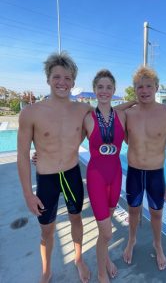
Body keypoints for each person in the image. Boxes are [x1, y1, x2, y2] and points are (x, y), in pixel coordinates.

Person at [17, 52, 92, 283]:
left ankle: (79, 259)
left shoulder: (83, 110)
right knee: (46, 230)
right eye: (57, 77)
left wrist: (135, 102)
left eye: (68, 78)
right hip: (46, 179)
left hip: (71, 174)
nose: (63, 82)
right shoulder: (31, 112)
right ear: (48, 78)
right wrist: (28, 194)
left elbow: (109, 115)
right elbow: (21, 154)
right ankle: (47, 270)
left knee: (76, 219)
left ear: (73, 81)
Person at [123, 66, 166, 271]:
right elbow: (109, 113)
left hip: (156, 173)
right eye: (139, 87)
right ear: (135, 90)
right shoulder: (128, 114)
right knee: (133, 211)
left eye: (149, 86)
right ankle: (132, 240)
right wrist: (130, 102)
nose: (144, 90)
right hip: (134, 173)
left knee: (157, 214)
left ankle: (158, 245)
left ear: (157, 88)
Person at [83, 70, 126, 283]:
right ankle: (101, 272)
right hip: (97, 178)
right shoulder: (87, 119)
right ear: (94, 90)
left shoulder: (122, 116)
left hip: (116, 176)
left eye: (109, 87)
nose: (104, 91)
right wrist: (40, 155)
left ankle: (106, 256)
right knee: (107, 232)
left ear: (114, 90)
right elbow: (67, 142)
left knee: (106, 228)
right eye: (100, 87)